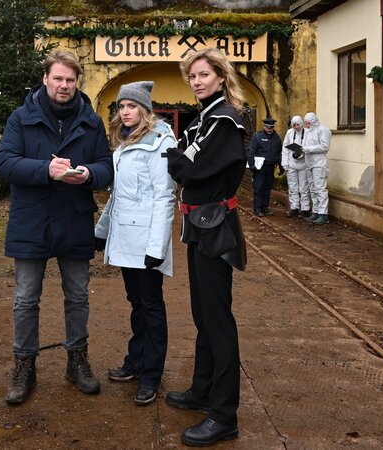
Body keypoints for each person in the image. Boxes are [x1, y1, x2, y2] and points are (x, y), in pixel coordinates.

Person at [0, 50, 113, 405]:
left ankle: (77, 361)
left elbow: (106, 167)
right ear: (45, 78)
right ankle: (24, 366)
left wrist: (88, 174)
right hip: (31, 220)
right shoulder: (22, 117)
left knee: (77, 296)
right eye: (58, 78)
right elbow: (6, 162)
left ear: (77, 82)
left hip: (74, 219)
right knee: (25, 298)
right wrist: (44, 170)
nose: (64, 85)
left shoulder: (91, 121)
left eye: (70, 80)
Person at [164, 48, 248, 447]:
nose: (196, 81)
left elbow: (188, 168)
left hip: (216, 226)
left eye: (203, 75)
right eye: (192, 76)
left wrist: (179, 162)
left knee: (218, 320)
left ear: (220, 77)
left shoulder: (225, 120)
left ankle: (224, 415)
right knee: (202, 314)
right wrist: (180, 161)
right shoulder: (204, 119)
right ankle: (202, 390)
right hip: (199, 224)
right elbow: (182, 161)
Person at [94, 81, 177, 406]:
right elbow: (119, 196)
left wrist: (157, 248)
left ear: (145, 109)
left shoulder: (160, 141)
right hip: (126, 237)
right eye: (122, 106)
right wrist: (102, 231)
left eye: (132, 106)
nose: (126, 112)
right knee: (137, 302)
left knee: (151, 306)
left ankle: (151, 375)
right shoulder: (126, 141)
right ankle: (136, 360)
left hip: (145, 242)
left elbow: (164, 196)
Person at [247, 117, 283, 216]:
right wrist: (251, 164)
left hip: (271, 166)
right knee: (258, 187)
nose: (269, 129)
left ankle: (264, 207)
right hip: (260, 167)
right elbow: (251, 150)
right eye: (268, 127)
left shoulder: (276, 137)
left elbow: (279, 152)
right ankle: (257, 209)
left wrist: (281, 166)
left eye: (271, 127)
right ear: (264, 126)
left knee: (267, 188)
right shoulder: (257, 137)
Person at [301, 112, 332, 224]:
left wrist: (308, 149)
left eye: (309, 123)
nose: (307, 125)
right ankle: (315, 211)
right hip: (309, 163)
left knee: (320, 189)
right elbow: (305, 147)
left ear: (314, 121)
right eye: (306, 123)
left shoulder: (323, 130)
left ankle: (323, 214)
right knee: (313, 189)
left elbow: (324, 147)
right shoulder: (308, 132)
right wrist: (301, 151)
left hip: (319, 163)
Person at [283, 115, 311, 218]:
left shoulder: (307, 133)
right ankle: (294, 208)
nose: (296, 127)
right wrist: (285, 163)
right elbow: (285, 148)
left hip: (304, 164)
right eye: (294, 125)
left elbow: (310, 147)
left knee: (304, 187)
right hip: (292, 164)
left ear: (301, 124)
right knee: (292, 187)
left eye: (298, 124)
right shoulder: (289, 133)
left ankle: (305, 209)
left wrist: (302, 153)